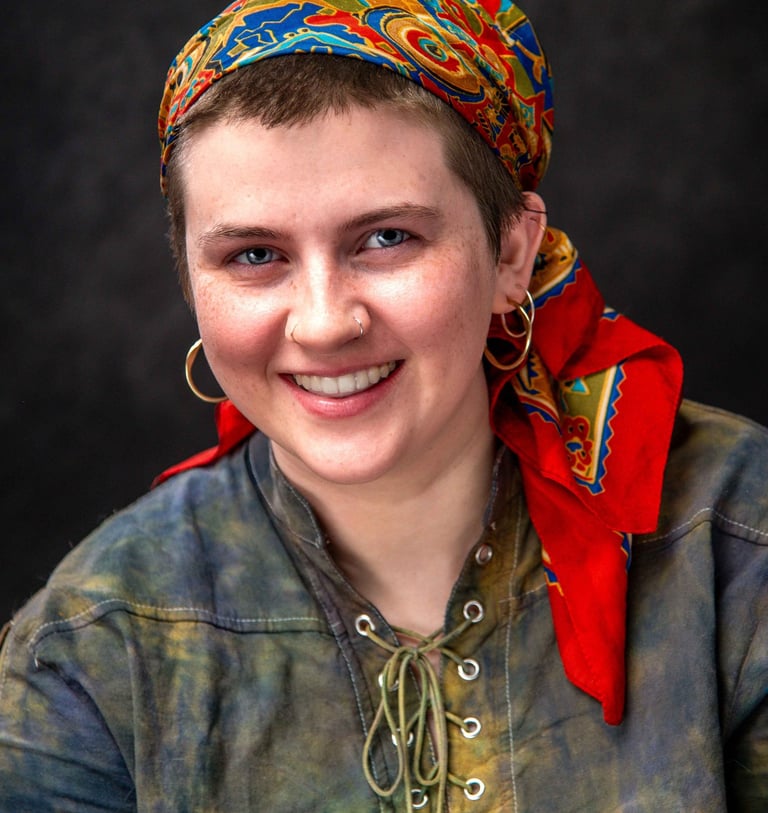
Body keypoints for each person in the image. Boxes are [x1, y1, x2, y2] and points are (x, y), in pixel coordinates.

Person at [0, 0, 765, 809]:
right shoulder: (92, 647)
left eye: (387, 238)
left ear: (512, 253)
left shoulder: (738, 545)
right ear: (191, 280)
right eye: (254, 254)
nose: (325, 323)